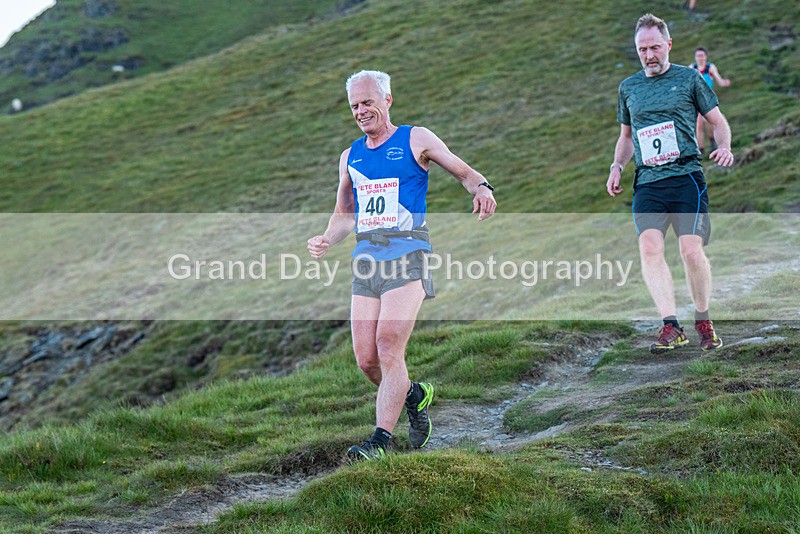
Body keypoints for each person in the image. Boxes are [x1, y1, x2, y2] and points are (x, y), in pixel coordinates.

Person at [308, 70, 496, 461]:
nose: (361, 111)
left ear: (388, 99)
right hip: (367, 261)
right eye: (355, 106)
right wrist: (328, 238)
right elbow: (344, 215)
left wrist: (482, 189)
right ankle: (412, 394)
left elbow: (464, 173)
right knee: (367, 359)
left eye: (367, 102)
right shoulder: (350, 156)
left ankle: (380, 441)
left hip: (409, 253)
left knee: (389, 342)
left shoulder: (416, 139)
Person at [606, 13, 734, 353]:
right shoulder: (628, 88)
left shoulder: (690, 79)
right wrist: (617, 165)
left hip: (686, 178)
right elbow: (627, 137)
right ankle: (670, 325)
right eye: (642, 49)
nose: (649, 55)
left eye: (655, 48)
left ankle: (703, 319)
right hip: (647, 182)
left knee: (691, 251)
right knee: (649, 248)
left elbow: (718, 122)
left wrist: (724, 146)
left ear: (669, 45)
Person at [691, 47, 731, 153]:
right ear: (695, 57)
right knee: (698, 124)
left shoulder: (710, 67)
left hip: (708, 99)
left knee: (709, 122)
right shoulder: (692, 68)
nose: (700, 58)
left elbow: (719, 80)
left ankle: (712, 140)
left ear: (705, 57)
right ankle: (701, 149)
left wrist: (724, 83)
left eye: (702, 56)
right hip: (696, 99)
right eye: (698, 56)